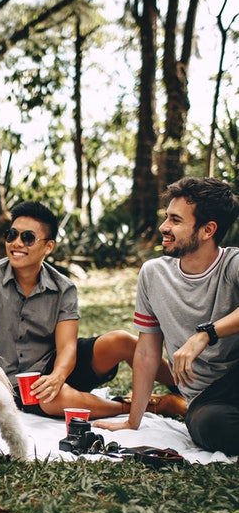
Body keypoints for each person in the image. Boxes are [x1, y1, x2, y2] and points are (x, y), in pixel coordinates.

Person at [0, 200, 185, 419]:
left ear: (48, 246)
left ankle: (187, 389)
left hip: (61, 364)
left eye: (27, 238)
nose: (17, 243)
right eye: (12, 235)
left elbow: (67, 347)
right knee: (53, 399)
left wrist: (57, 376)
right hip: (19, 382)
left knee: (122, 340)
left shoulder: (63, 287)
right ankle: (147, 406)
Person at [95, 177, 239, 455]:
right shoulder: (153, 274)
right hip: (208, 399)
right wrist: (132, 421)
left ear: (208, 230)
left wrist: (205, 334)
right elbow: (147, 351)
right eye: (166, 217)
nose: (163, 227)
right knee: (208, 426)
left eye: (175, 220)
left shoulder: (233, 264)